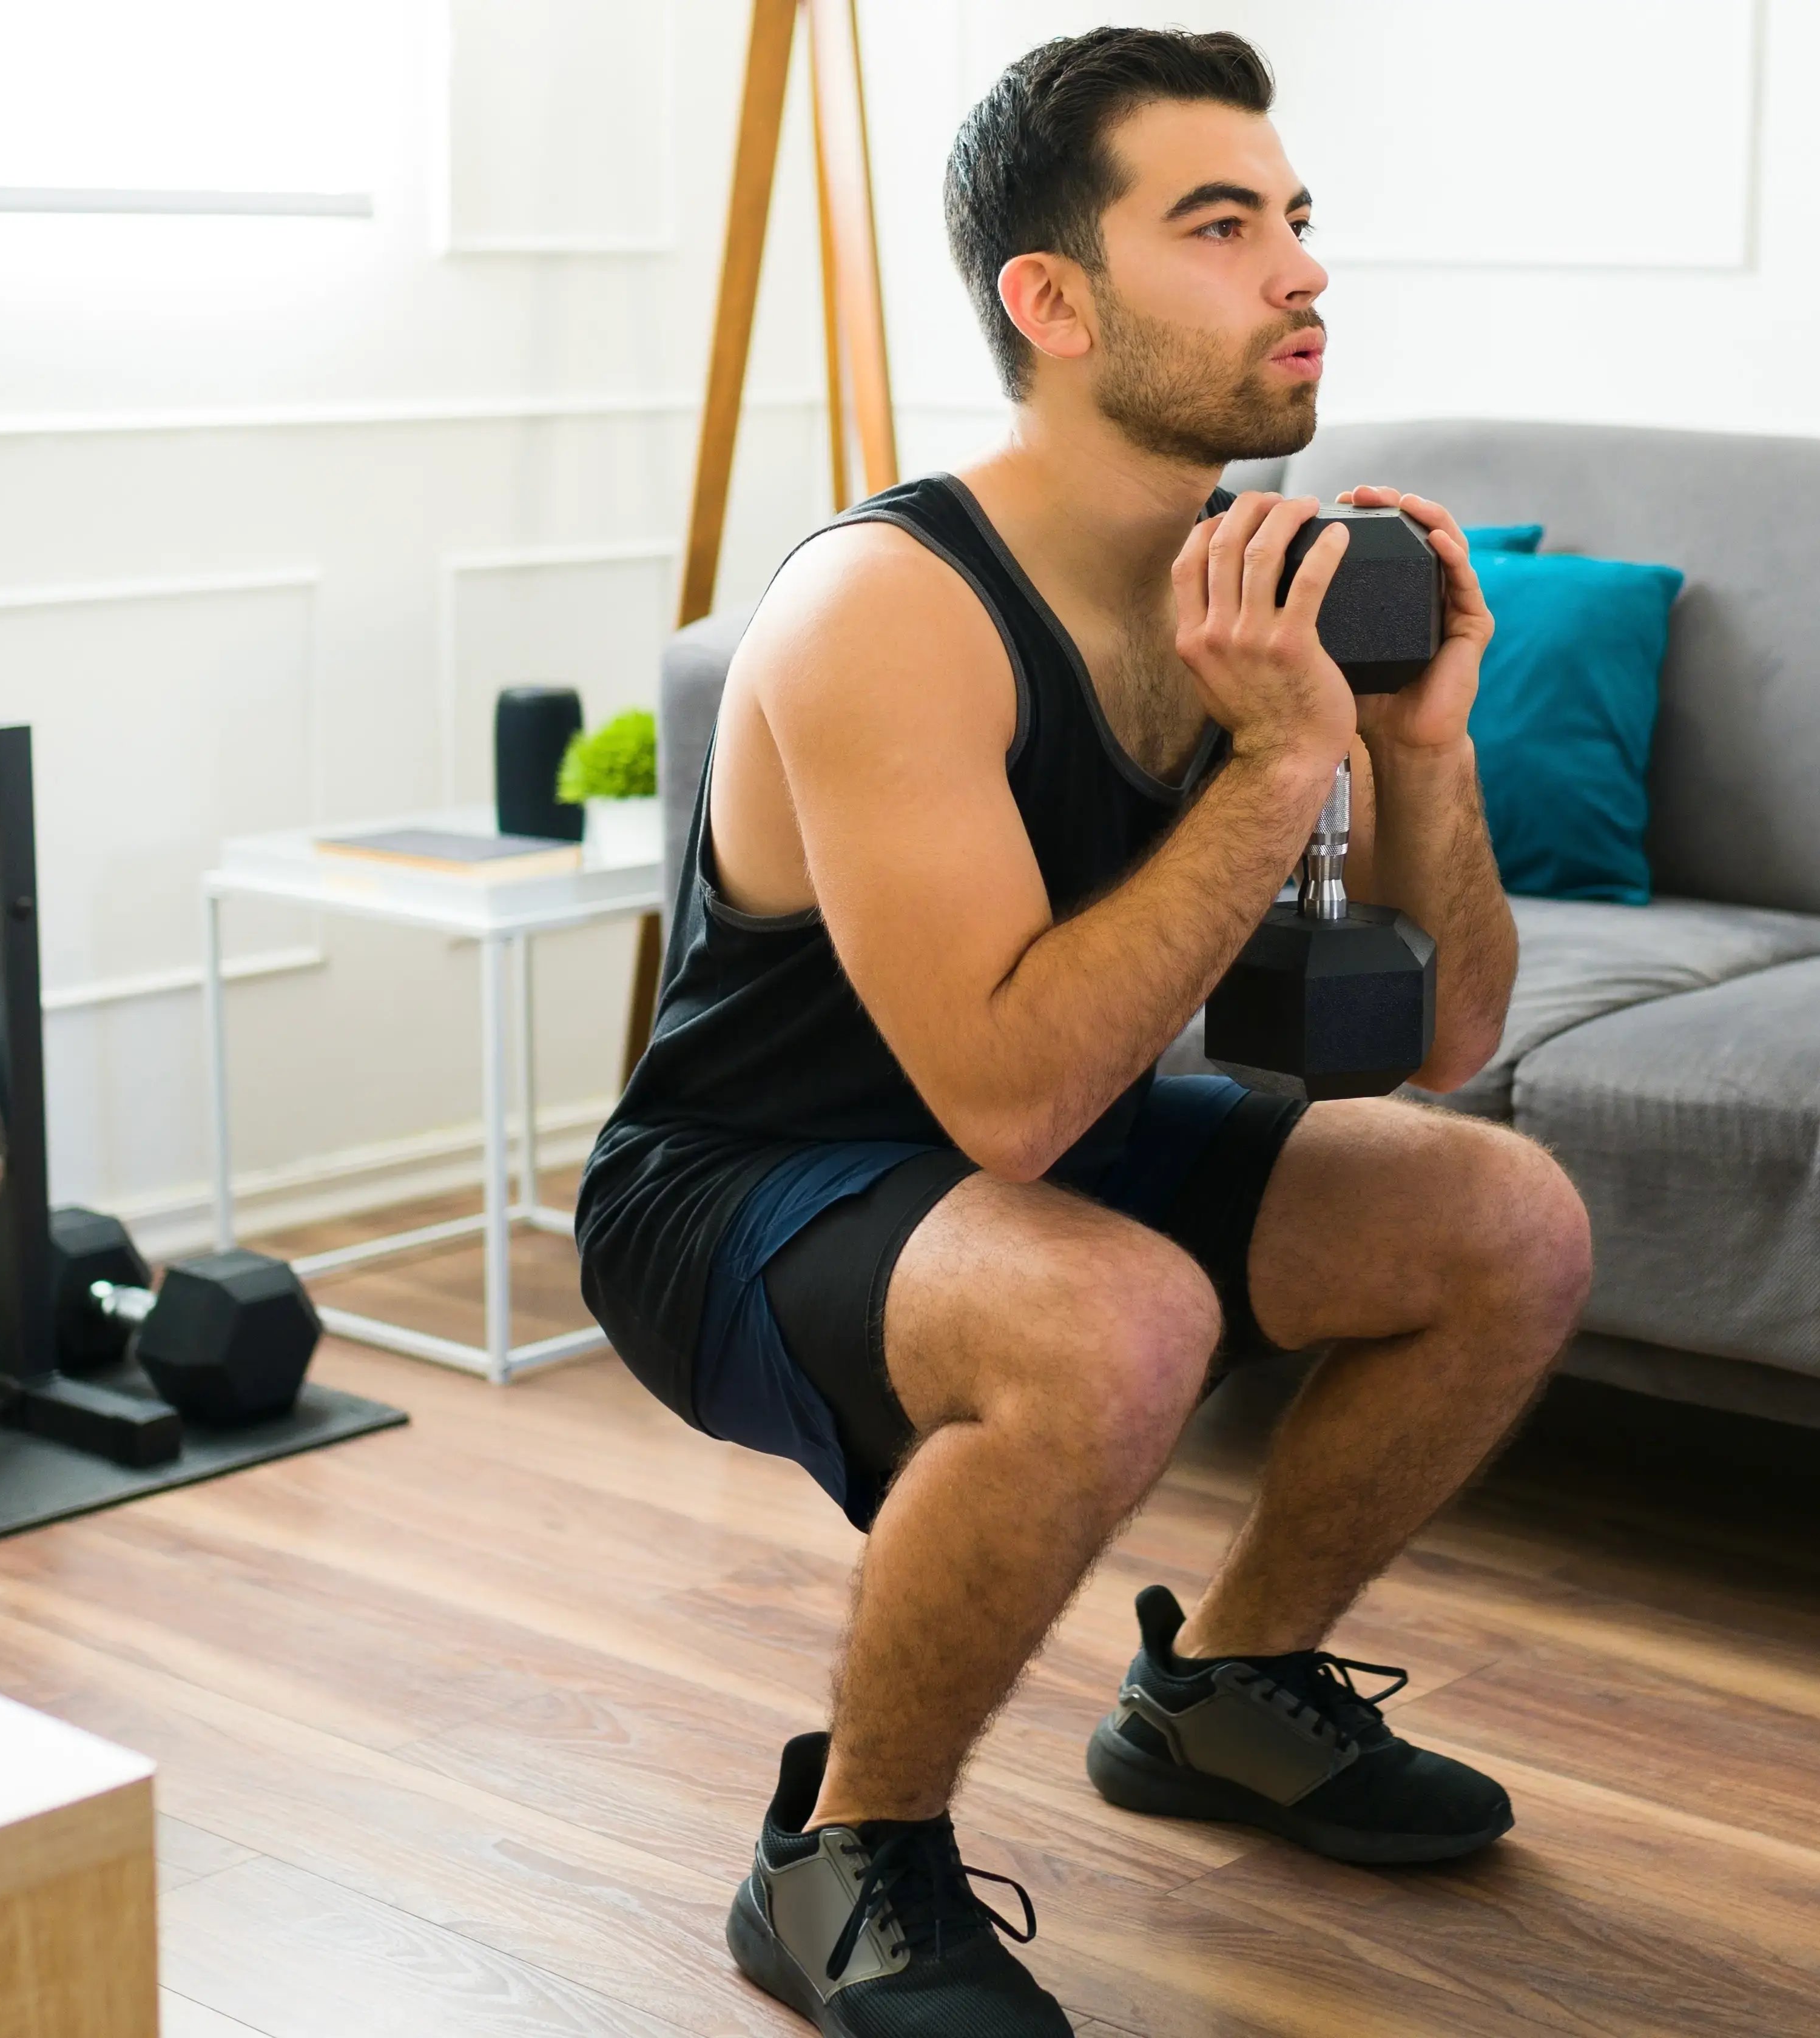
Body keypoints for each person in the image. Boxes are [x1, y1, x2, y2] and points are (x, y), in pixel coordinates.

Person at [575, 26, 1592, 2036]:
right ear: (1054, 301)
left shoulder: (1262, 586)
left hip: (1038, 1140)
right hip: (752, 1188)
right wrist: (1278, 763)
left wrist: (1415, 745)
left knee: (1506, 1222)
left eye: (1297, 221)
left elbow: (1452, 1032)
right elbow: (1018, 1099)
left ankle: (1221, 1694)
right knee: (1120, 1314)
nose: (1300, 269)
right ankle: (843, 1857)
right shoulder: (891, 605)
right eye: (1220, 227)